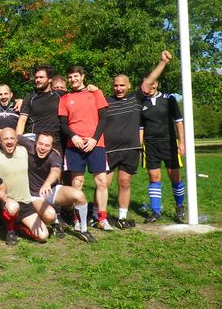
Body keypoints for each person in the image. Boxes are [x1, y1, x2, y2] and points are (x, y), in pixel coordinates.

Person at [0, 129, 94, 243]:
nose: (43, 148)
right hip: (20, 198)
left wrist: (47, 183)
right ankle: (11, 229)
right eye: (40, 144)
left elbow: (55, 171)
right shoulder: (22, 148)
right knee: (17, 208)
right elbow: (7, 133)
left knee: (77, 197)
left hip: (39, 194)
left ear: (52, 147)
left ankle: (82, 229)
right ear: (35, 142)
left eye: (47, 145)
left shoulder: (49, 154)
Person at [103, 51, 172, 228]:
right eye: (116, 85)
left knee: (124, 183)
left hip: (131, 150)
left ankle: (122, 218)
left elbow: (149, 81)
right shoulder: (105, 101)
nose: (118, 88)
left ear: (129, 85)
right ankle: (99, 216)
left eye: (122, 85)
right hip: (109, 150)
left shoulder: (136, 99)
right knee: (103, 183)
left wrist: (162, 63)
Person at [58, 66, 113, 231]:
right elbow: (62, 123)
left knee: (101, 181)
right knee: (77, 182)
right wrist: (73, 136)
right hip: (74, 145)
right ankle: (78, 219)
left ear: (82, 76)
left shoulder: (95, 93)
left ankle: (101, 218)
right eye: (70, 76)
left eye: (76, 76)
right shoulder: (65, 98)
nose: (73, 79)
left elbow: (104, 118)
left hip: (95, 144)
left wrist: (94, 139)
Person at [138, 51, 186, 223]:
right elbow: (140, 127)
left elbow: (179, 121)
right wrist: (139, 147)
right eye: (146, 83)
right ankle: (156, 211)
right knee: (154, 177)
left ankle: (180, 207)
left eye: (152, 83)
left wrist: (182, 143)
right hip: (150, 145)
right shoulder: (141, 104)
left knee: (175, 177)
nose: (150, 86)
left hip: (169, 144)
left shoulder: (169, 99)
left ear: (156, 83)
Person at [16, 66, 62, 147]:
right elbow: (22, 121)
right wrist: (17, 141)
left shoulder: (59, 95)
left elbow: (76, 95)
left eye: (41, 77)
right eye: (36, 77)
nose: (38, 80)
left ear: (50, 79)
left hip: (55, 142)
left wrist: (90, 87)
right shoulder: (29, 98)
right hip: (34, 142)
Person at [0, 84, 20, 153]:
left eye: (6, 94)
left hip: (13, 150)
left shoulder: (18, 109)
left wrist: (21, 101)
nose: (3, 97)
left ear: (11, 95)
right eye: (0, 94)